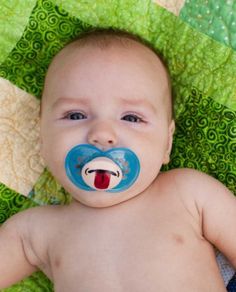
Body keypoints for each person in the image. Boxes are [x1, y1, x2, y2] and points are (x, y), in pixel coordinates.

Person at [0, 29, 235, 292]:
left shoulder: (189, 193)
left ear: (167, 143)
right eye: (76, 115)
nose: (102, 135)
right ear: (42, 136)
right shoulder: (34, 232)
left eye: (131, 118)